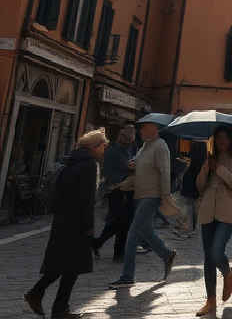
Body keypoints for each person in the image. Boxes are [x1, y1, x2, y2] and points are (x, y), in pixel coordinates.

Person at [25, 129, 107, 319]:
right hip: (77, 222)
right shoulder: (89, 164)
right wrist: (89, 227)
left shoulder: (71, 160)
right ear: (95, 146)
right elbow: (86, 199)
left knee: (64, 265)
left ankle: (47, 300)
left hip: (62, 219)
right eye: (103, 146)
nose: (104, 150)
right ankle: (51, 303)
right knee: (71, 266)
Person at [110, 120, 177, 289]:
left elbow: (165, 172)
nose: (140, 131)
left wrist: (165, 195)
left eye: (144, 128)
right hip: (139, 195)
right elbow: (138, 166)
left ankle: (127, 276)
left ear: (154, 129)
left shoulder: (161, 146)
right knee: (146, 231)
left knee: (133, 233)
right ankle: (167, 254)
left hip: (152, 195)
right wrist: (132, 165)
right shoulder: (144, 146)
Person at [194, 128, 232, 315]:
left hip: (227, 211)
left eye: (225, 137)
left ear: (231, 139)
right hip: (208, 210)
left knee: (216, 251)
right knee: (208, 257)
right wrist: (206, 169)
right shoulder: (210, 157)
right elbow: (199, 186)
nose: (222, 141)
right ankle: (210, 300)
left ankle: (227, 271)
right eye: (218, 138)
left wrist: (219, 169)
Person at [93, 125, 135, 262]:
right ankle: (113, 250)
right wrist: (129, 169)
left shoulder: (128, 150)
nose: (129, 140)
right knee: (120, 221)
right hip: (116, 189)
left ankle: (104, 246)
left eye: (130, 138)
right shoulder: (113, 151)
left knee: (121, 221)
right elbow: (109, 171)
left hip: (127, 189)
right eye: (126, 137)